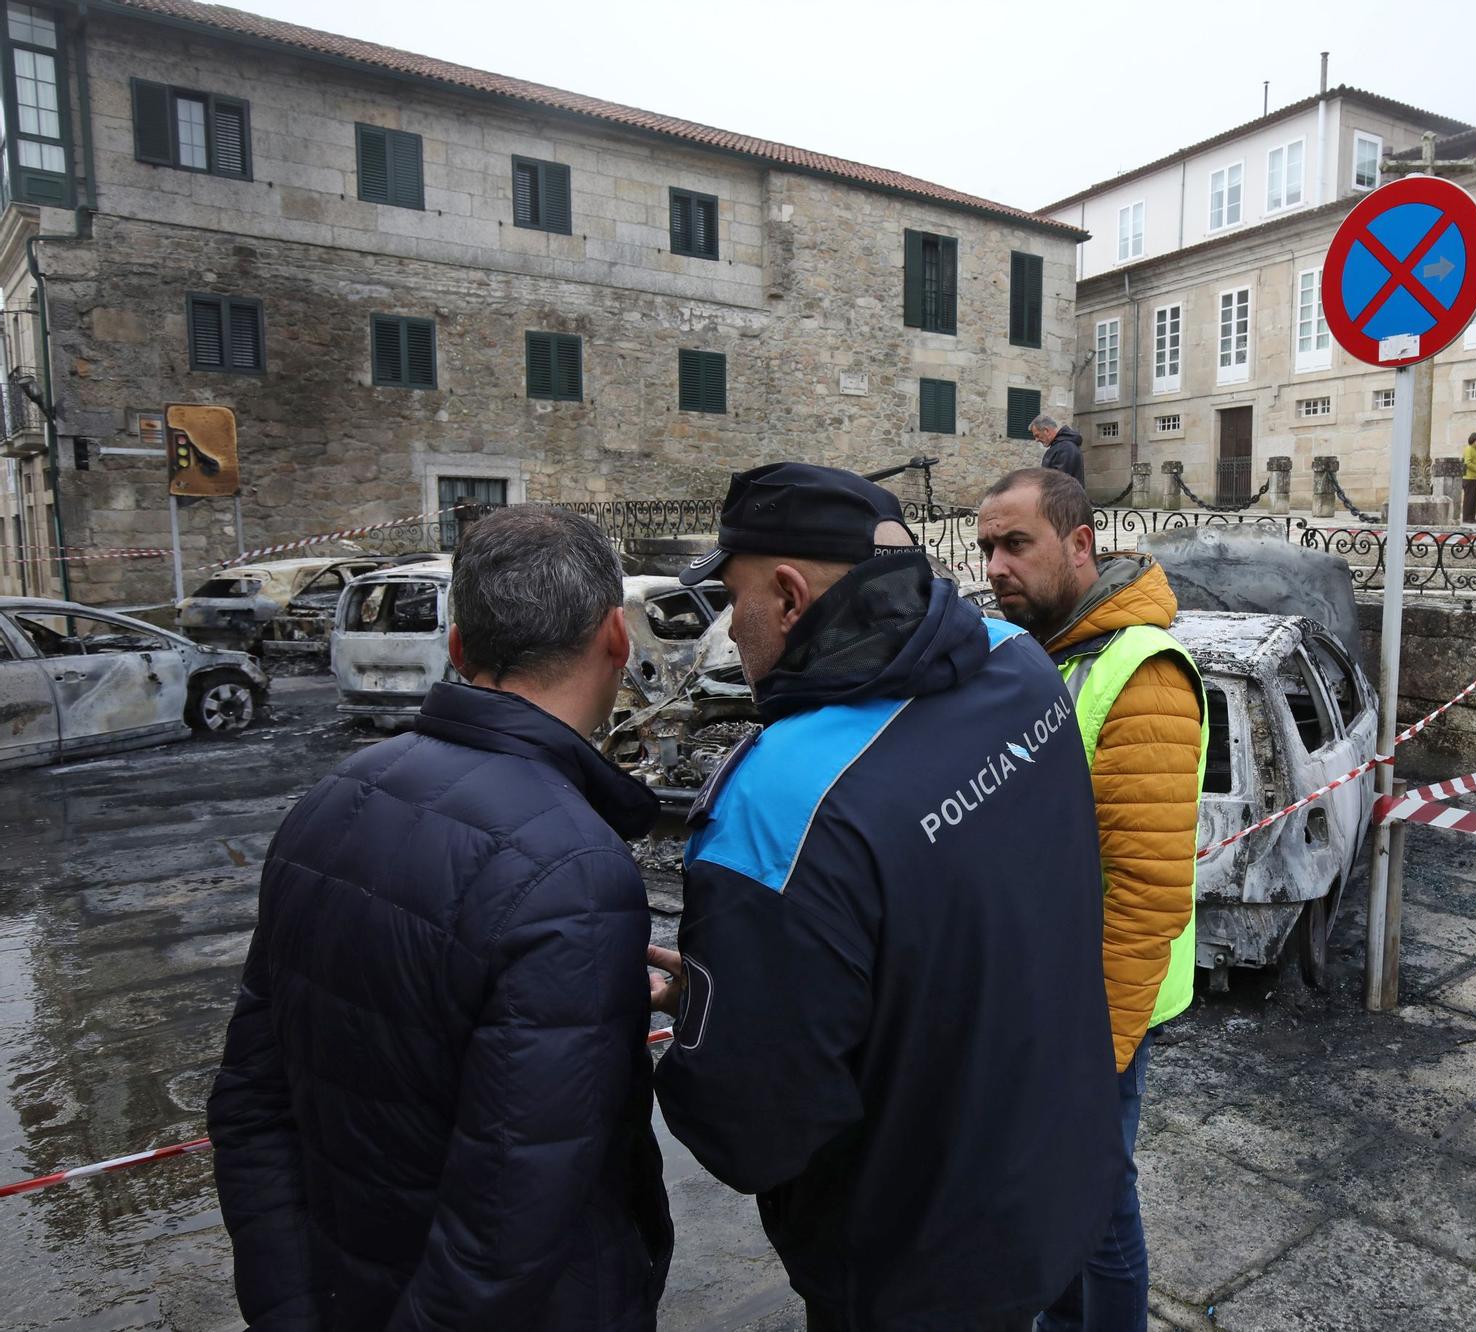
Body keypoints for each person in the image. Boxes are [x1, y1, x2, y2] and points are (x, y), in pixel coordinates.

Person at [652, 463, 1120, 1331]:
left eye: (734, 597)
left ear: (789, 597)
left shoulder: (779, 800)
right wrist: (773, 980)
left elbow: (753, 1128)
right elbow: (969, 904)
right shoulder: (1016, 662)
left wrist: (712, 1015)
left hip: (917, 1262)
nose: (730, 625)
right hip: (1059, 1175)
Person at [209, 507, 672, 1330]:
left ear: (457, 647)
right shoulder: (577, 867)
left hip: (333, 1295)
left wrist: (285, 1306)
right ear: (616, 637)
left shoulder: (334, 799)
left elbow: (251, 1104)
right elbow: (509, 1229)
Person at [976, 468, 1206, 1332]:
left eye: (1017, 544)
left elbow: (1148, 891)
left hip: (1099, 1007)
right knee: (1052, 1203)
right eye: (988, 545)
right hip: (1044, 994)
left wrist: (1095, 1052)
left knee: (1098, 1209)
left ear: (1081, 546)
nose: (995, 566)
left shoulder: (1141, 670)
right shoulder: (1038, 650)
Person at [1031, 413, 1086, 485]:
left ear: (1046, 431)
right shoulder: (1061, 447)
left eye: (1037, 435)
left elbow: (1059, 482)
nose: (1036, 440)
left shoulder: (1065, 448)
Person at [1460, 431, 1476, 525]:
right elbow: (1468, 463)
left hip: (1475, 478)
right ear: (1473, 440)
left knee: (1473, 499)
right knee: (1469, 499)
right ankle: (1467, 518)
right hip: (1469, 478)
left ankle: (1472, 517)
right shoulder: (1469, 449)